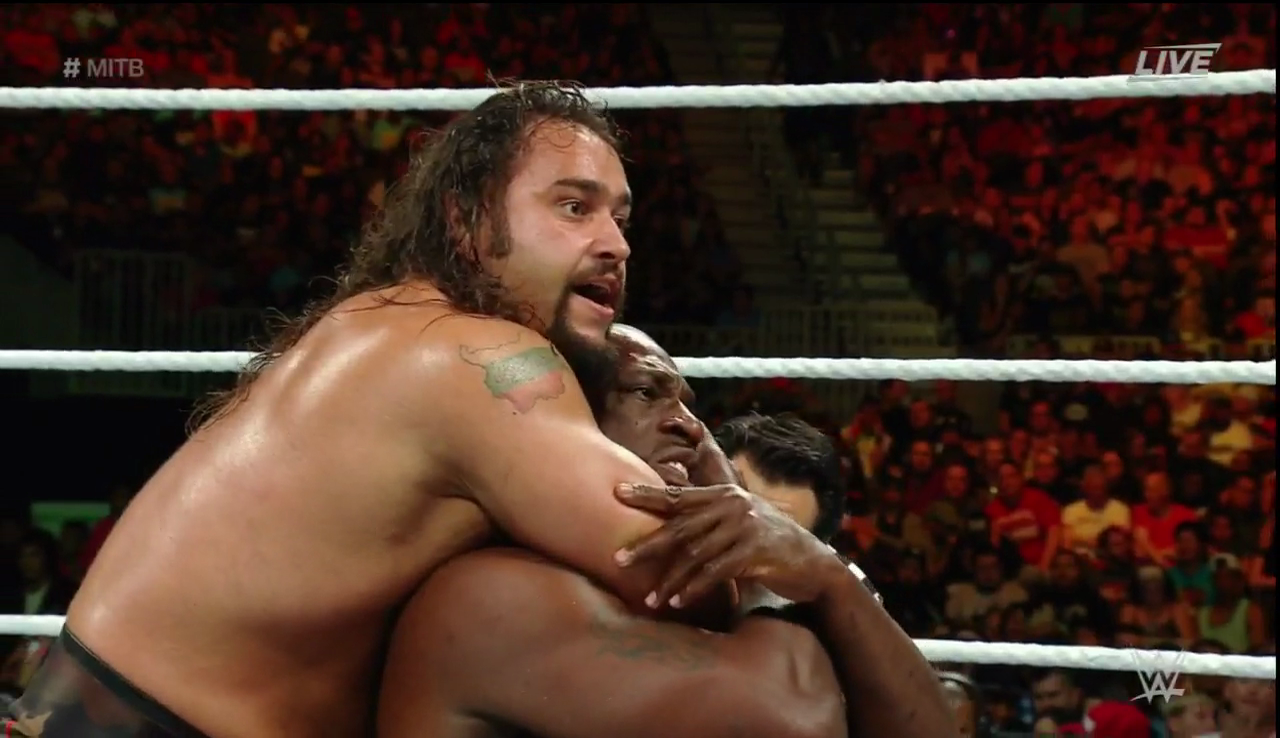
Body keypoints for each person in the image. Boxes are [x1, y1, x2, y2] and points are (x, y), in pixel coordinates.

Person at [4, 82, 770, 737]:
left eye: (621, 219)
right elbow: (691, 581)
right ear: (468, 222)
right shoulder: (480, 357)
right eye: (574, 207)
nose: (615, 244)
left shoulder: (379, 320)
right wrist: (753, 519)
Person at [378, 325, 953, 738]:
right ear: (570, 422)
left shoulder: (676, 588)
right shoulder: (491, 595)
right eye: (646, 392)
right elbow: (794, 721)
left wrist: (827, 573)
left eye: (687, 402)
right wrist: (772, 564)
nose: (692, 427)